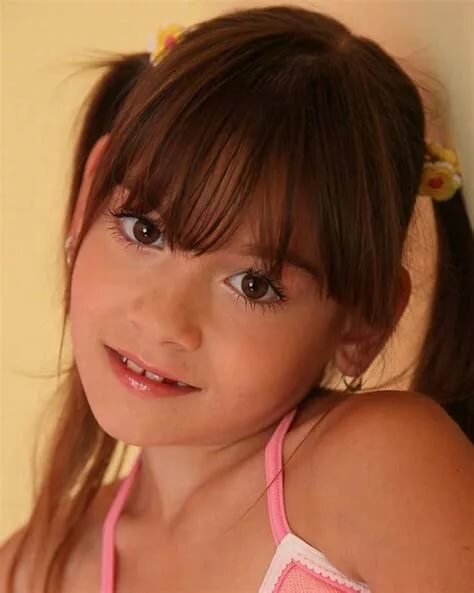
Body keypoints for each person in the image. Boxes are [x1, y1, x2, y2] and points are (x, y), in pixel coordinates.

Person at [1, 5, 473, 593]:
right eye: (144, 231)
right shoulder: (32, 570)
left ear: (365, 324)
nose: (163, 320)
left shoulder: (375, 469)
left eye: (254, 284)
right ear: (87, 199)